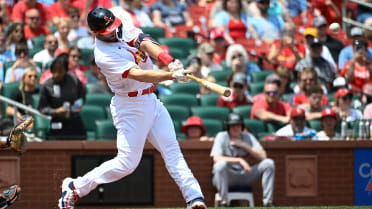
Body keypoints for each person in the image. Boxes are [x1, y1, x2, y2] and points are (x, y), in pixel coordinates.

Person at [58, 7, 207, 209]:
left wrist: (169, 61)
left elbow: (144, 42)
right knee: (126, 163)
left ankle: (194, 198)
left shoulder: (122, 26)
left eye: (112, 26)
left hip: (151, 100)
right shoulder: (103, 54)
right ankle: (75, 186)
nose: (112, 31)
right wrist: (169, 75)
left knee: (173, 153)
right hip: (129, 106)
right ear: (94, 33)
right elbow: (138, 74)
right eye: (106, 30)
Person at [210, 112, 275, 207]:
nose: (235, 128)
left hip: (245, 174)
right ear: (228, 127)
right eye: (232, 125)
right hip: (227, 176)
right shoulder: (222, 136)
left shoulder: (248, 137)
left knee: (269, 163)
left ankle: (268, 202)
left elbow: (263, 156)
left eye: (238, 125)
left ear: (242, 126)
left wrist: (243, 145)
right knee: (220, 165)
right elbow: (216, 158)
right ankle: (224, 202)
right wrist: (240, 160)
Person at [38, 53, 86, 140]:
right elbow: (41, 108)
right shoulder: (47, 85)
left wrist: (77, 106)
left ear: (65, 71)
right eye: (54, 71)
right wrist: (56, 111)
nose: (57, 74)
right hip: (56, 122)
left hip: (74, 120)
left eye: (60, 71)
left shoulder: (74, 80)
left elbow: (82, 96)